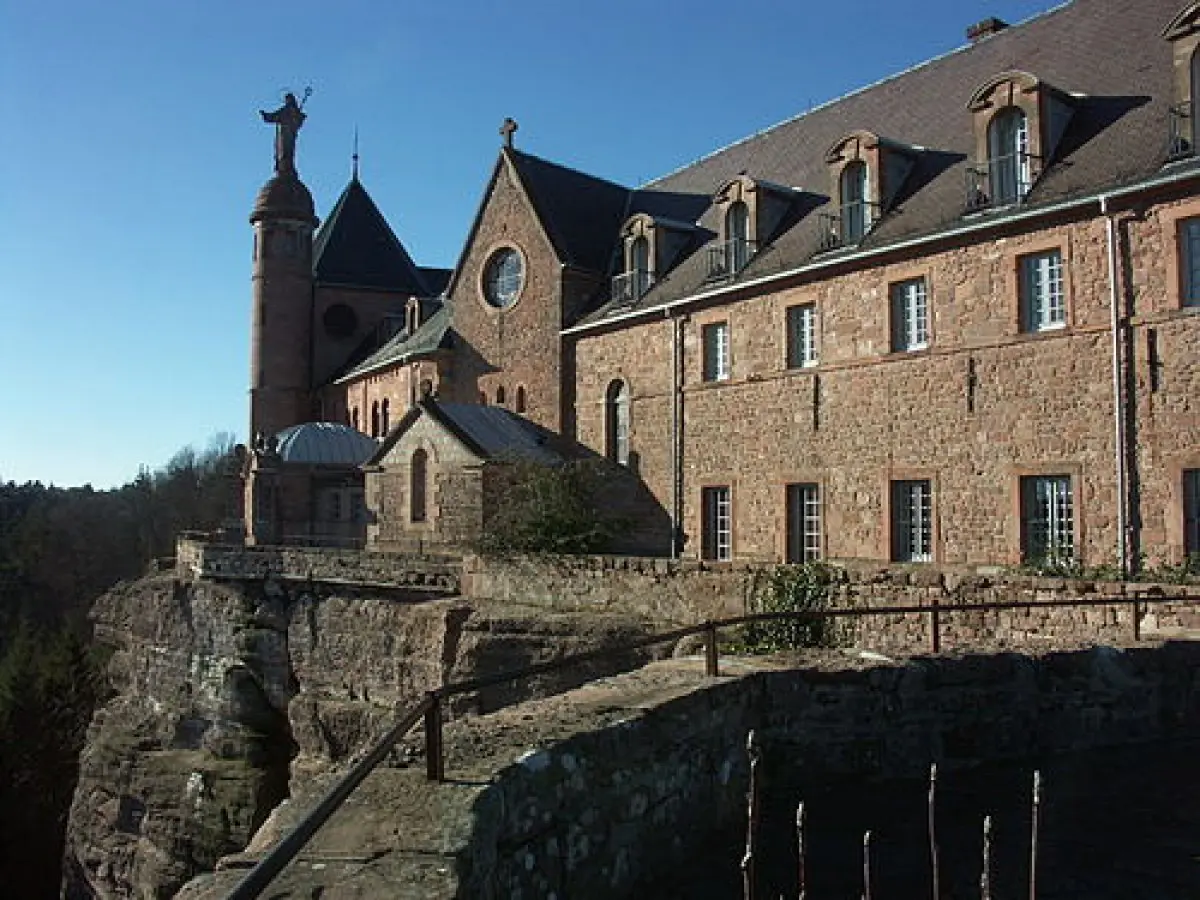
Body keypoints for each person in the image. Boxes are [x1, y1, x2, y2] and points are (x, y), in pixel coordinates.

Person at [260, 92, 306, 176]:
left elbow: (298, 123)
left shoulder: (288, 110)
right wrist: (265, 115)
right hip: (283, 133)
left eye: (287, 99)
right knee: (283, 149)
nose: (287, 101)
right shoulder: (288, 110)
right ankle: (283, 166)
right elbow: (274, 117)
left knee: (286, 149)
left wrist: (299, 117)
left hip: (287, 133)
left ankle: (285, 166)